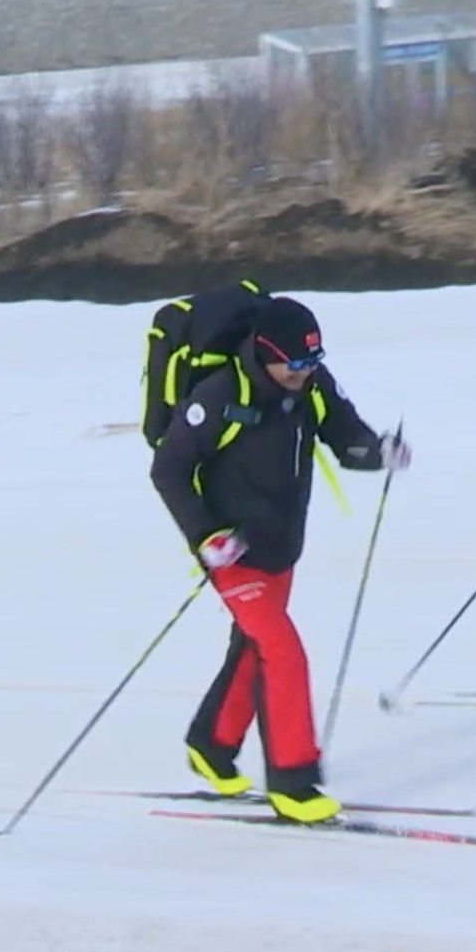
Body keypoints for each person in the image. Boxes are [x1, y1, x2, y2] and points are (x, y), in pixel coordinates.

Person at [151, 293, 402, 823]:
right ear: (264, 353)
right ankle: (293, 781)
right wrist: (207, 535)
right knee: (284, 652)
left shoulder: (312, 385)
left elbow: (344, 434)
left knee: (254, 648)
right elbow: (168, 470)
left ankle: (211, 744)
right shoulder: (219, 396)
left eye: (314, 360)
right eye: (296, 362)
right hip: (231, 550)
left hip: (281, 544)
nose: (307, 372)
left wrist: (378, 452)